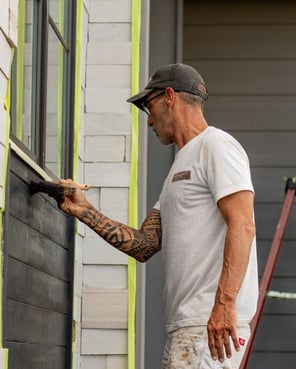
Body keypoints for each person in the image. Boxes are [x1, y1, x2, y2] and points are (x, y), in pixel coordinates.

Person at [58, 63, 258, 369]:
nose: (149, 120)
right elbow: (145, 244)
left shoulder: (216, 146)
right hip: (187, 328)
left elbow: (243, 225)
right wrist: (84, 210)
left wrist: (224, 306)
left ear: (169, 97)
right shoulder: (179, 166)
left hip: (208, 326)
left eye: (148, 107)